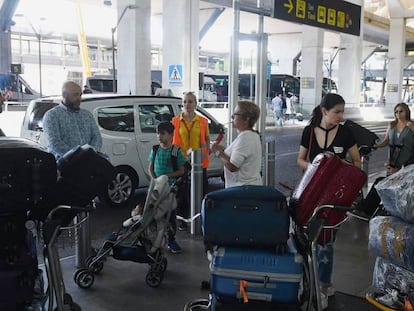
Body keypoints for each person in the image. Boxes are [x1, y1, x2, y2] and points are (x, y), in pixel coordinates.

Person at [297, 93, 361, 305]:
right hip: (311, 193)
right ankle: (306, 280)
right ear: (324, 111)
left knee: (327, 241)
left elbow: (356, 162)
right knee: (305, 239)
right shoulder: (309, 132)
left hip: (334, 198)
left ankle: (324, 283)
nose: (341, 116)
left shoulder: (346, 134)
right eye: (337, 112)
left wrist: (340, 175)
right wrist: (318, 169)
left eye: (342, 112)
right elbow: (301, 159)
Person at [350, 102, 414, 220]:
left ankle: (366, 209)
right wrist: (376, 146)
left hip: (406, 164)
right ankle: (366, 208)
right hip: (393, 162)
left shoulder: (411, 125)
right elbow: (386, 141)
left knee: (383, 183)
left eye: (401, 111)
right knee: (385, 183)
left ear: (407, 112)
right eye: (396, 112)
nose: (398, 114)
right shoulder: (392, 125)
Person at [171, 92, 210, 229]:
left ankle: (200, 219)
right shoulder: (175, 121)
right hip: (183, 161)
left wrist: (205, 154)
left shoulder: (203, 121)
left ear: (196, 104)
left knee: (201, 190)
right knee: (182, 191)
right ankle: (182, 219)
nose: (187, 104)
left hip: (198, 161)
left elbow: (206, 140)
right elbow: (173, 142)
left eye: (190, 101)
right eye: (185, 101)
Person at [148, 121, 186, 254]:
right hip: (157, 188)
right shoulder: (155, 149)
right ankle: (154, 238)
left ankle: (171, 239)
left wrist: (166, 176)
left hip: (170, 189)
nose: (159, 136)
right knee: (154, 213)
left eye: (162, 133)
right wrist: (155, 179)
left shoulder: (176, 151)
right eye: (158, 133)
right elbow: (151, 167)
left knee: (170, 215)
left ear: (171, 135)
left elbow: (181, 170)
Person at [43, 81, 102, 159]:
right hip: (63, 164)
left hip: (88, 163)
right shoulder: (52, 115)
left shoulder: (87, 115)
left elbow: (97, 138)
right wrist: (76, 156)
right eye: (75, 95)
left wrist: (90, 154)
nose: (79, 98)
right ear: (64, 95)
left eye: (80, 95)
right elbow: (54, 143)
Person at [211, 100, 262, 188]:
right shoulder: (250, 136)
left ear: (246, 119)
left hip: (243, 190)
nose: (232, 117)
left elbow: (233, 166)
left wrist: (218, 152)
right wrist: (223, 150)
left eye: (235, 114)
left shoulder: (245, 138)